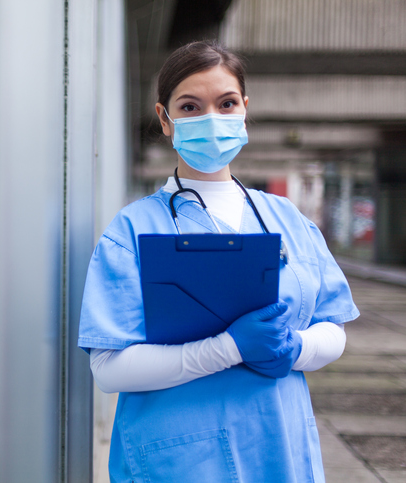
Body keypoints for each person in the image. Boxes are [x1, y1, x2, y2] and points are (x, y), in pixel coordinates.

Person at [78, 40, 359, 482]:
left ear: (244, 109)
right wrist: (229, 348)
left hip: (278, 446)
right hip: (178, 459)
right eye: (190, 107)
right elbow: (109, 369)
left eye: (226, 103)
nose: (212, 119)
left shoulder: (287, 218)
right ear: (165, 120)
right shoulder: (132, 230)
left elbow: (333, 329)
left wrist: (294, 347)